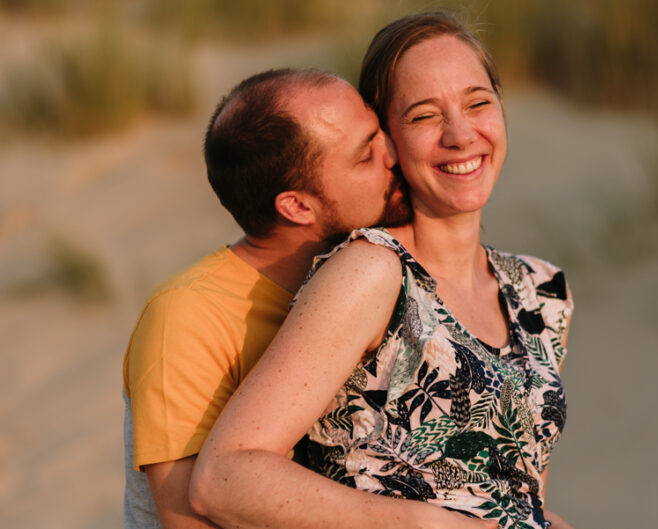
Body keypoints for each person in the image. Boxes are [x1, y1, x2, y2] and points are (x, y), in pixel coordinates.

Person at [190, 12, 575, 529]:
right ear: (388, 141)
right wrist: (428, 525)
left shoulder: (541, 292)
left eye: (478, 102)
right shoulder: (374, 273)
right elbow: (224, 477)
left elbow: (512, 492)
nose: (462, 134)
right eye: (423, 116)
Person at [122, 67, 411, 528]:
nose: (393, 155)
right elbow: (189, 520)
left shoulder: (374, 278)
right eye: (365, 155)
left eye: (380, 133)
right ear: (297, 206)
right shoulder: (189, 316)